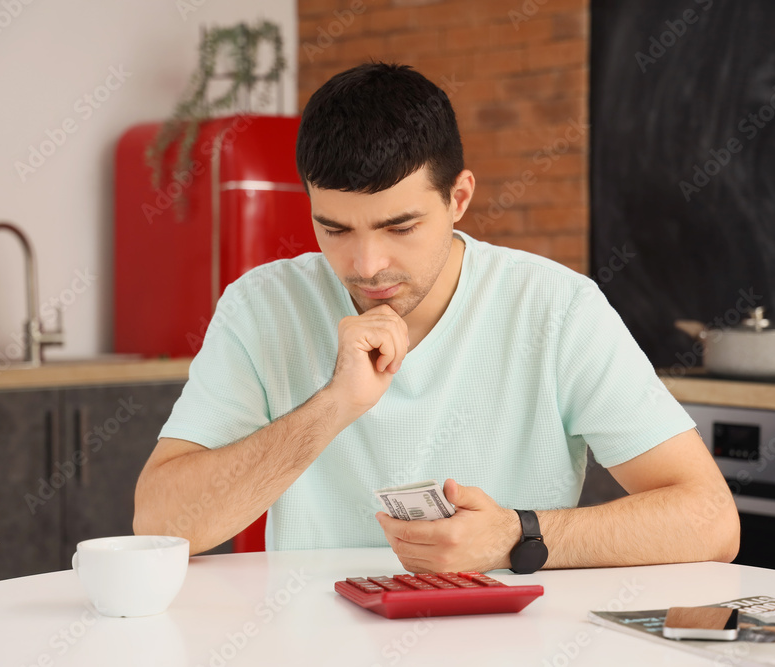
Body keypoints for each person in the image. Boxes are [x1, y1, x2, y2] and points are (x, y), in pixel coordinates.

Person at [133, 62, 740, 574]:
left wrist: (514, 534)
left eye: (400, 227)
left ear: (459, 198)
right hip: (314, 646)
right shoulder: (261, 306)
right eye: (334, 228)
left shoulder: (556, 308)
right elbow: (161, 524)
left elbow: (711, 521)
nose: (367, 265)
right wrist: (333, 406)